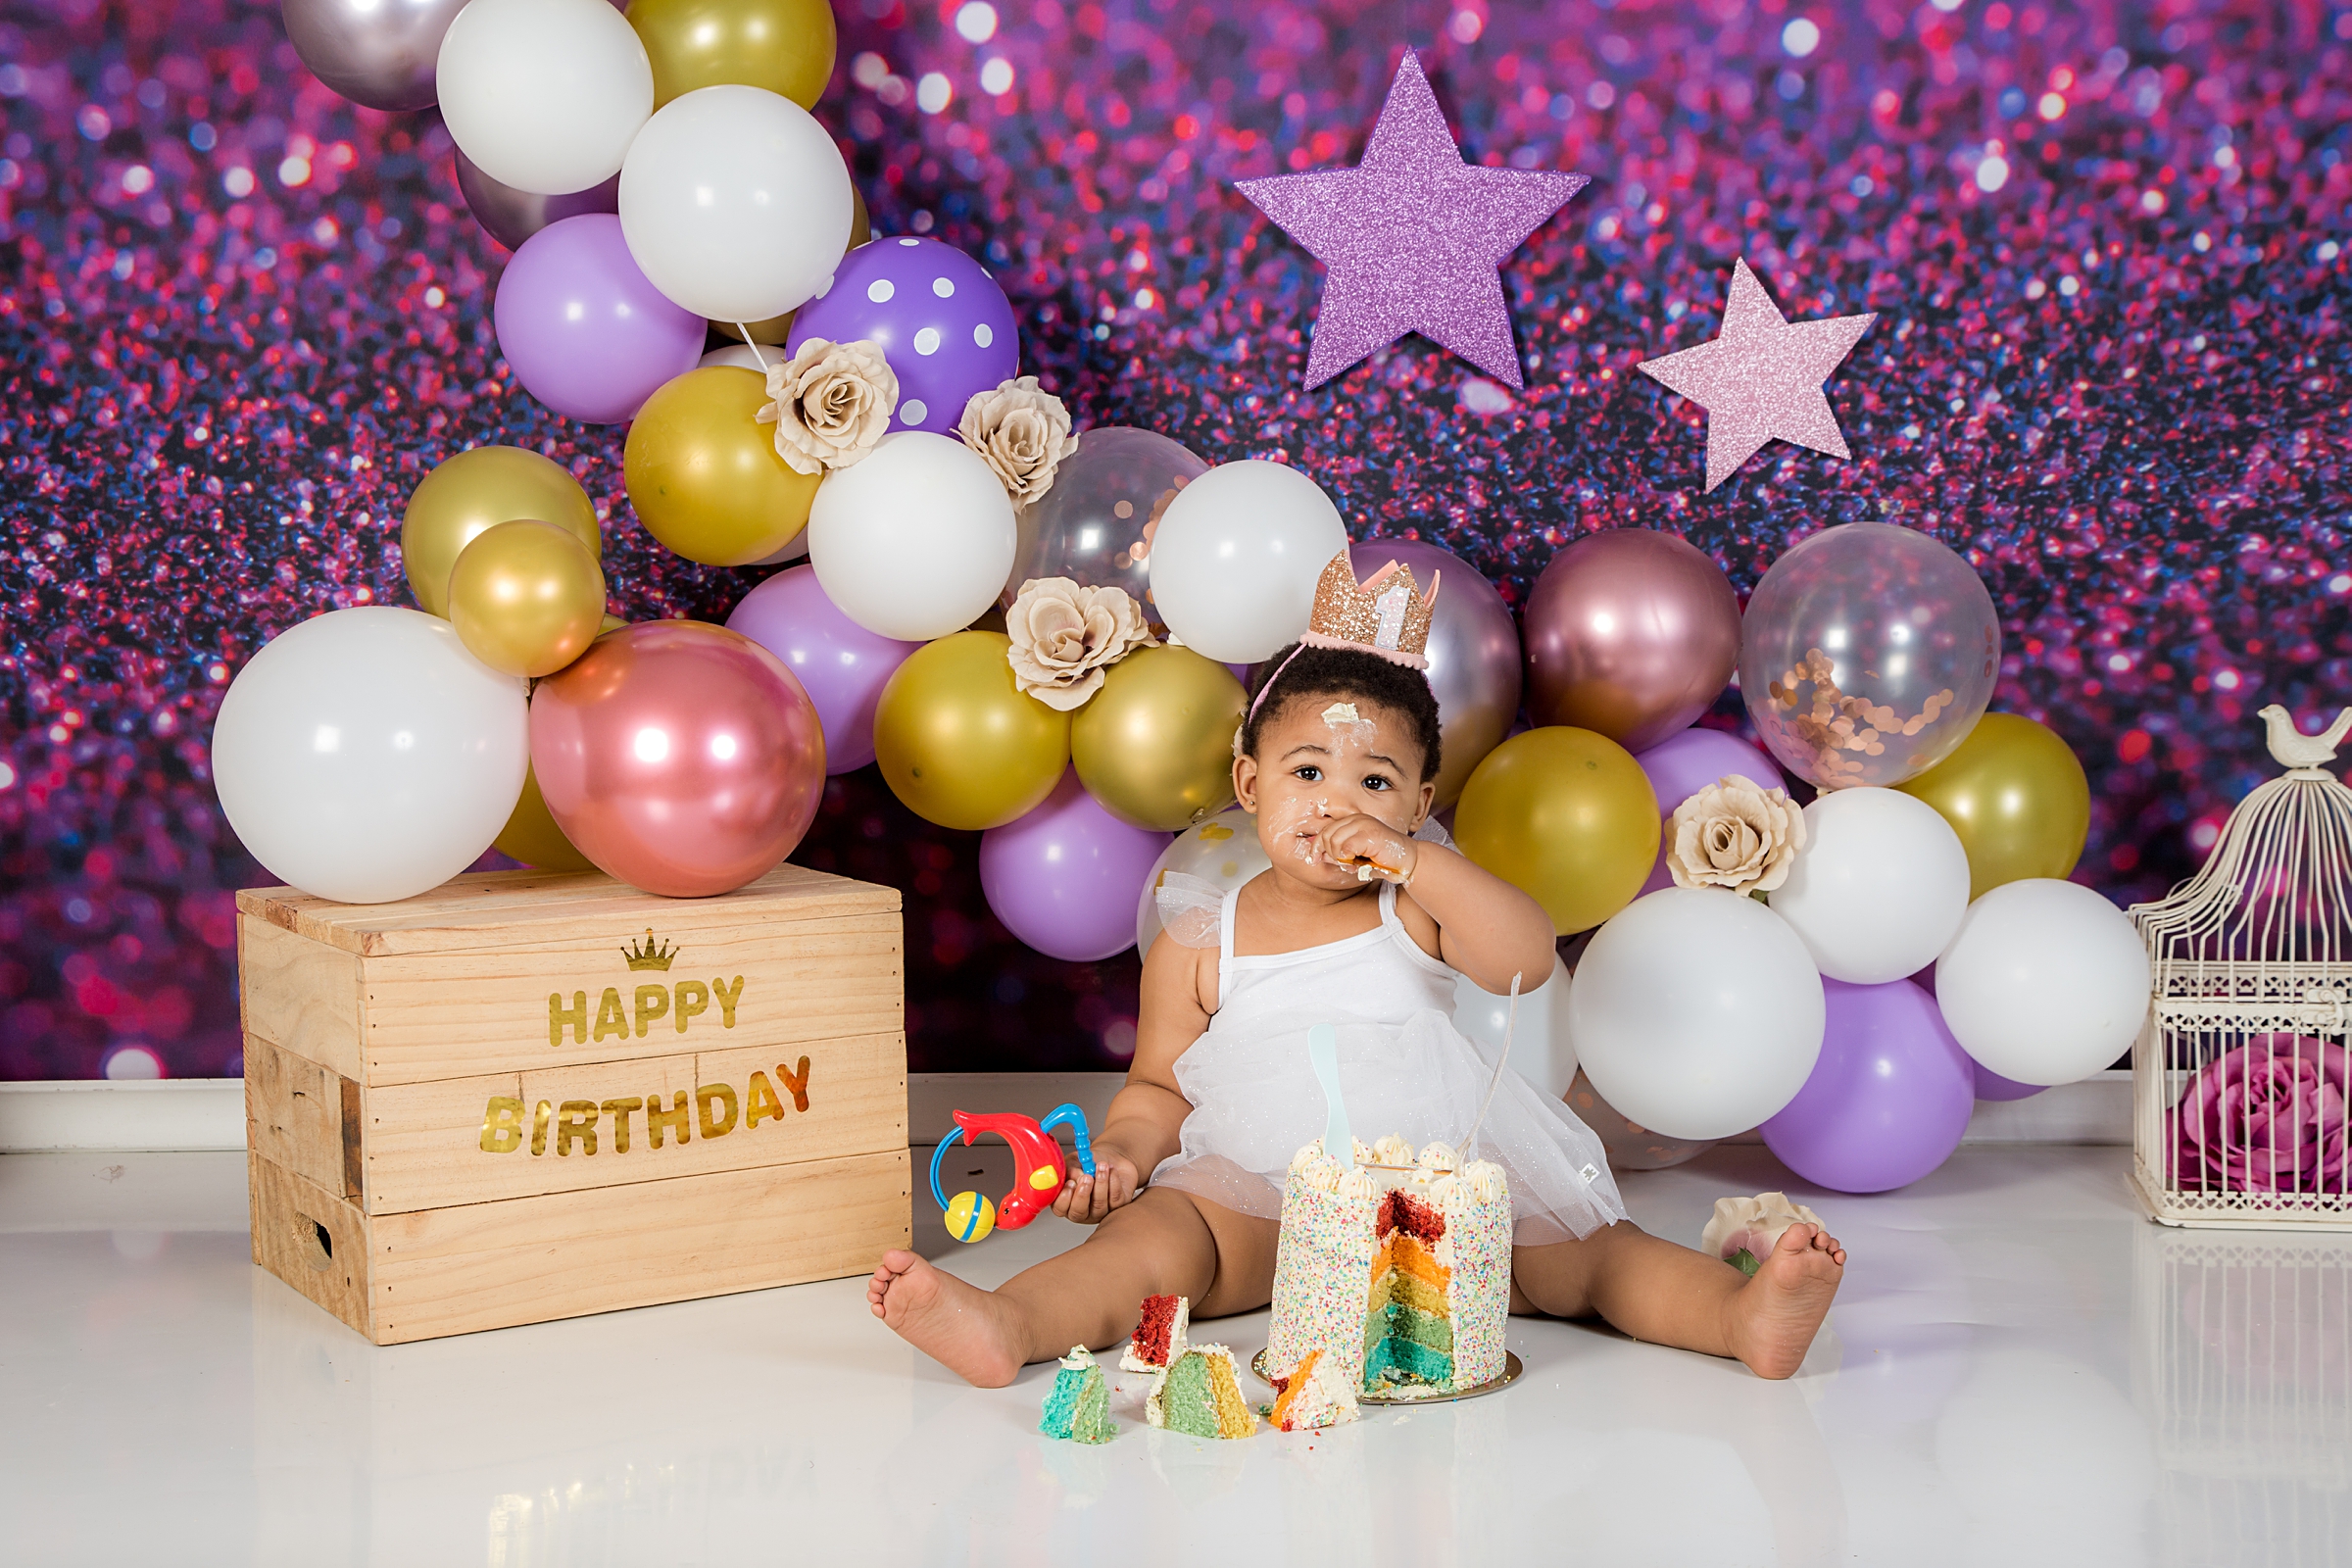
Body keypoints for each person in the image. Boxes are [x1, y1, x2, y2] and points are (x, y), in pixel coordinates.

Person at [869, 554, 1844, 1387]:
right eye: (1307, 772)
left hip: (1432, 1193)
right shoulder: (1203, 939)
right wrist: (1123, 1154)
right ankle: (1012, 1324)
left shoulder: (1410, 906)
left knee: (1584, 1260)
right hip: (1258, 1197)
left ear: (1418, 804)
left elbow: (1523, 963)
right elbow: (1159, 1085)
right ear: (1249, 784)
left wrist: (1420, 864)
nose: (1337, 802)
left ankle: (1738, 1316)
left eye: (1374, 781)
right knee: (1155, 1243)